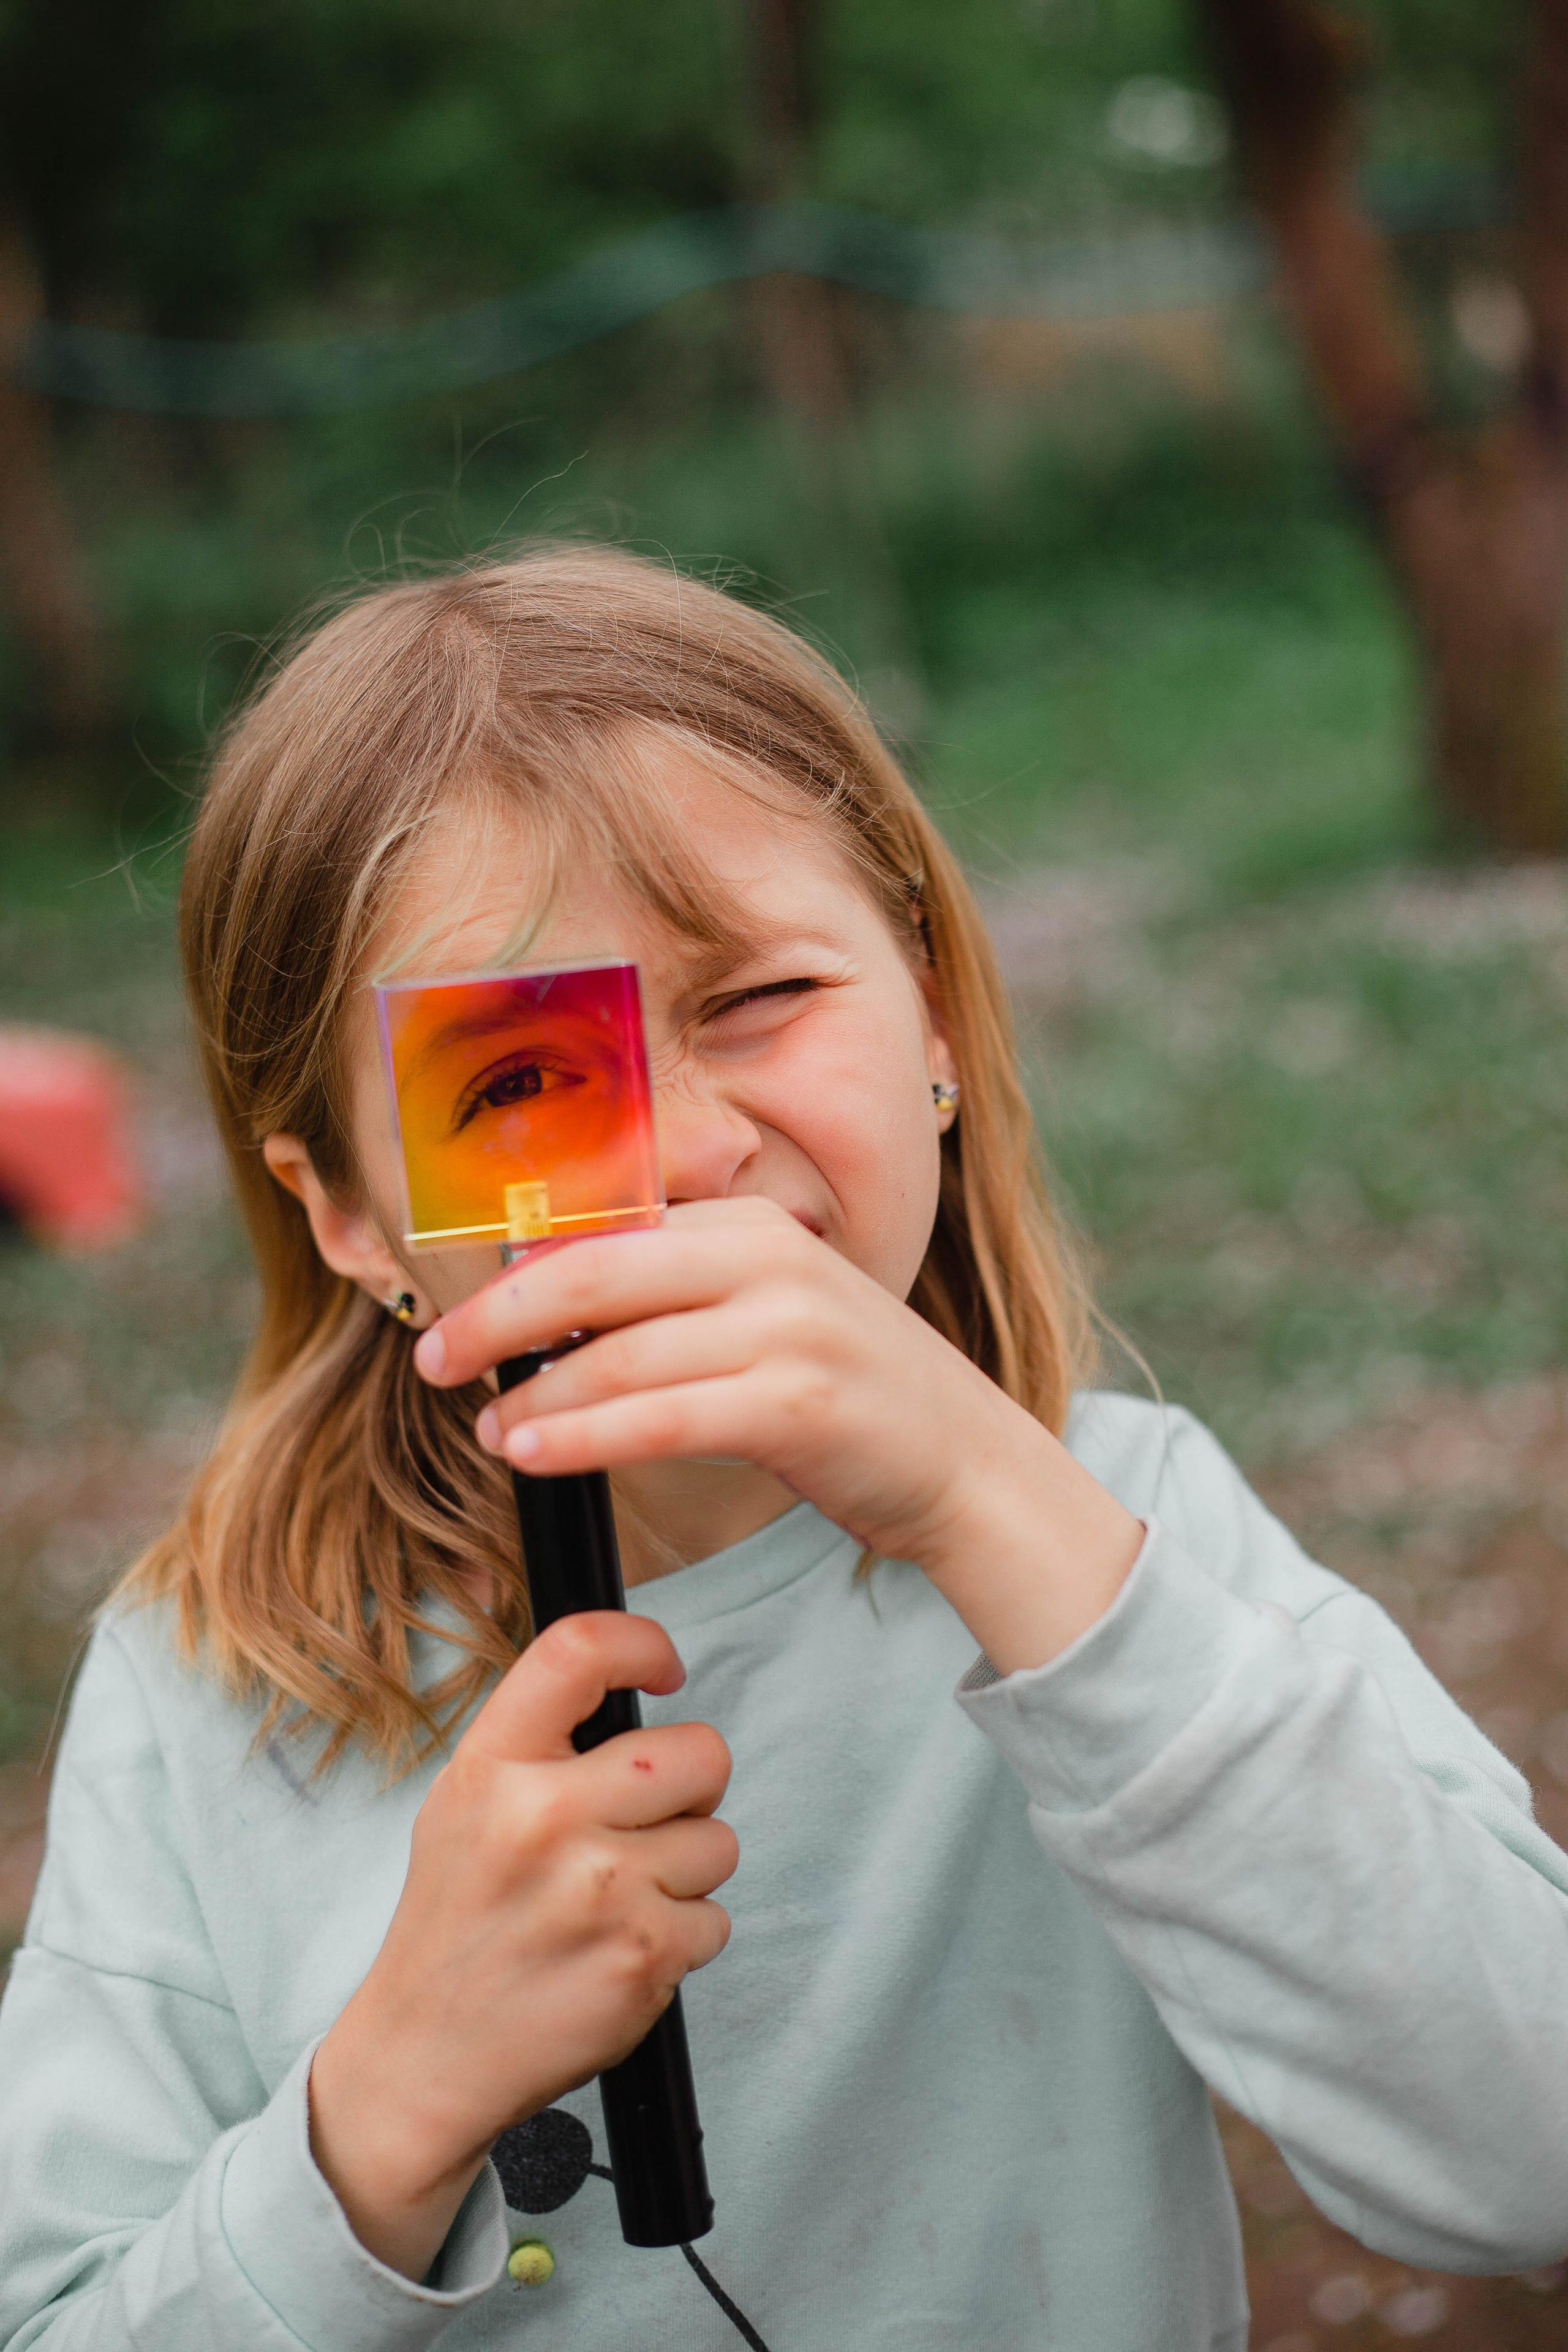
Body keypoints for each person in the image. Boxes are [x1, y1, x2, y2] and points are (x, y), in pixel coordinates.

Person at [2, 545, 1566, 2352]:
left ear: (942, 1028)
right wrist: (382, 2110)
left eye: (756, 1000)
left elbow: (1522, 2162)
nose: (679, 1153)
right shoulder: (207, 1701)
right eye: (516, 1078)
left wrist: (997, 1509)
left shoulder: (1120, 1524)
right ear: (347, 1211)